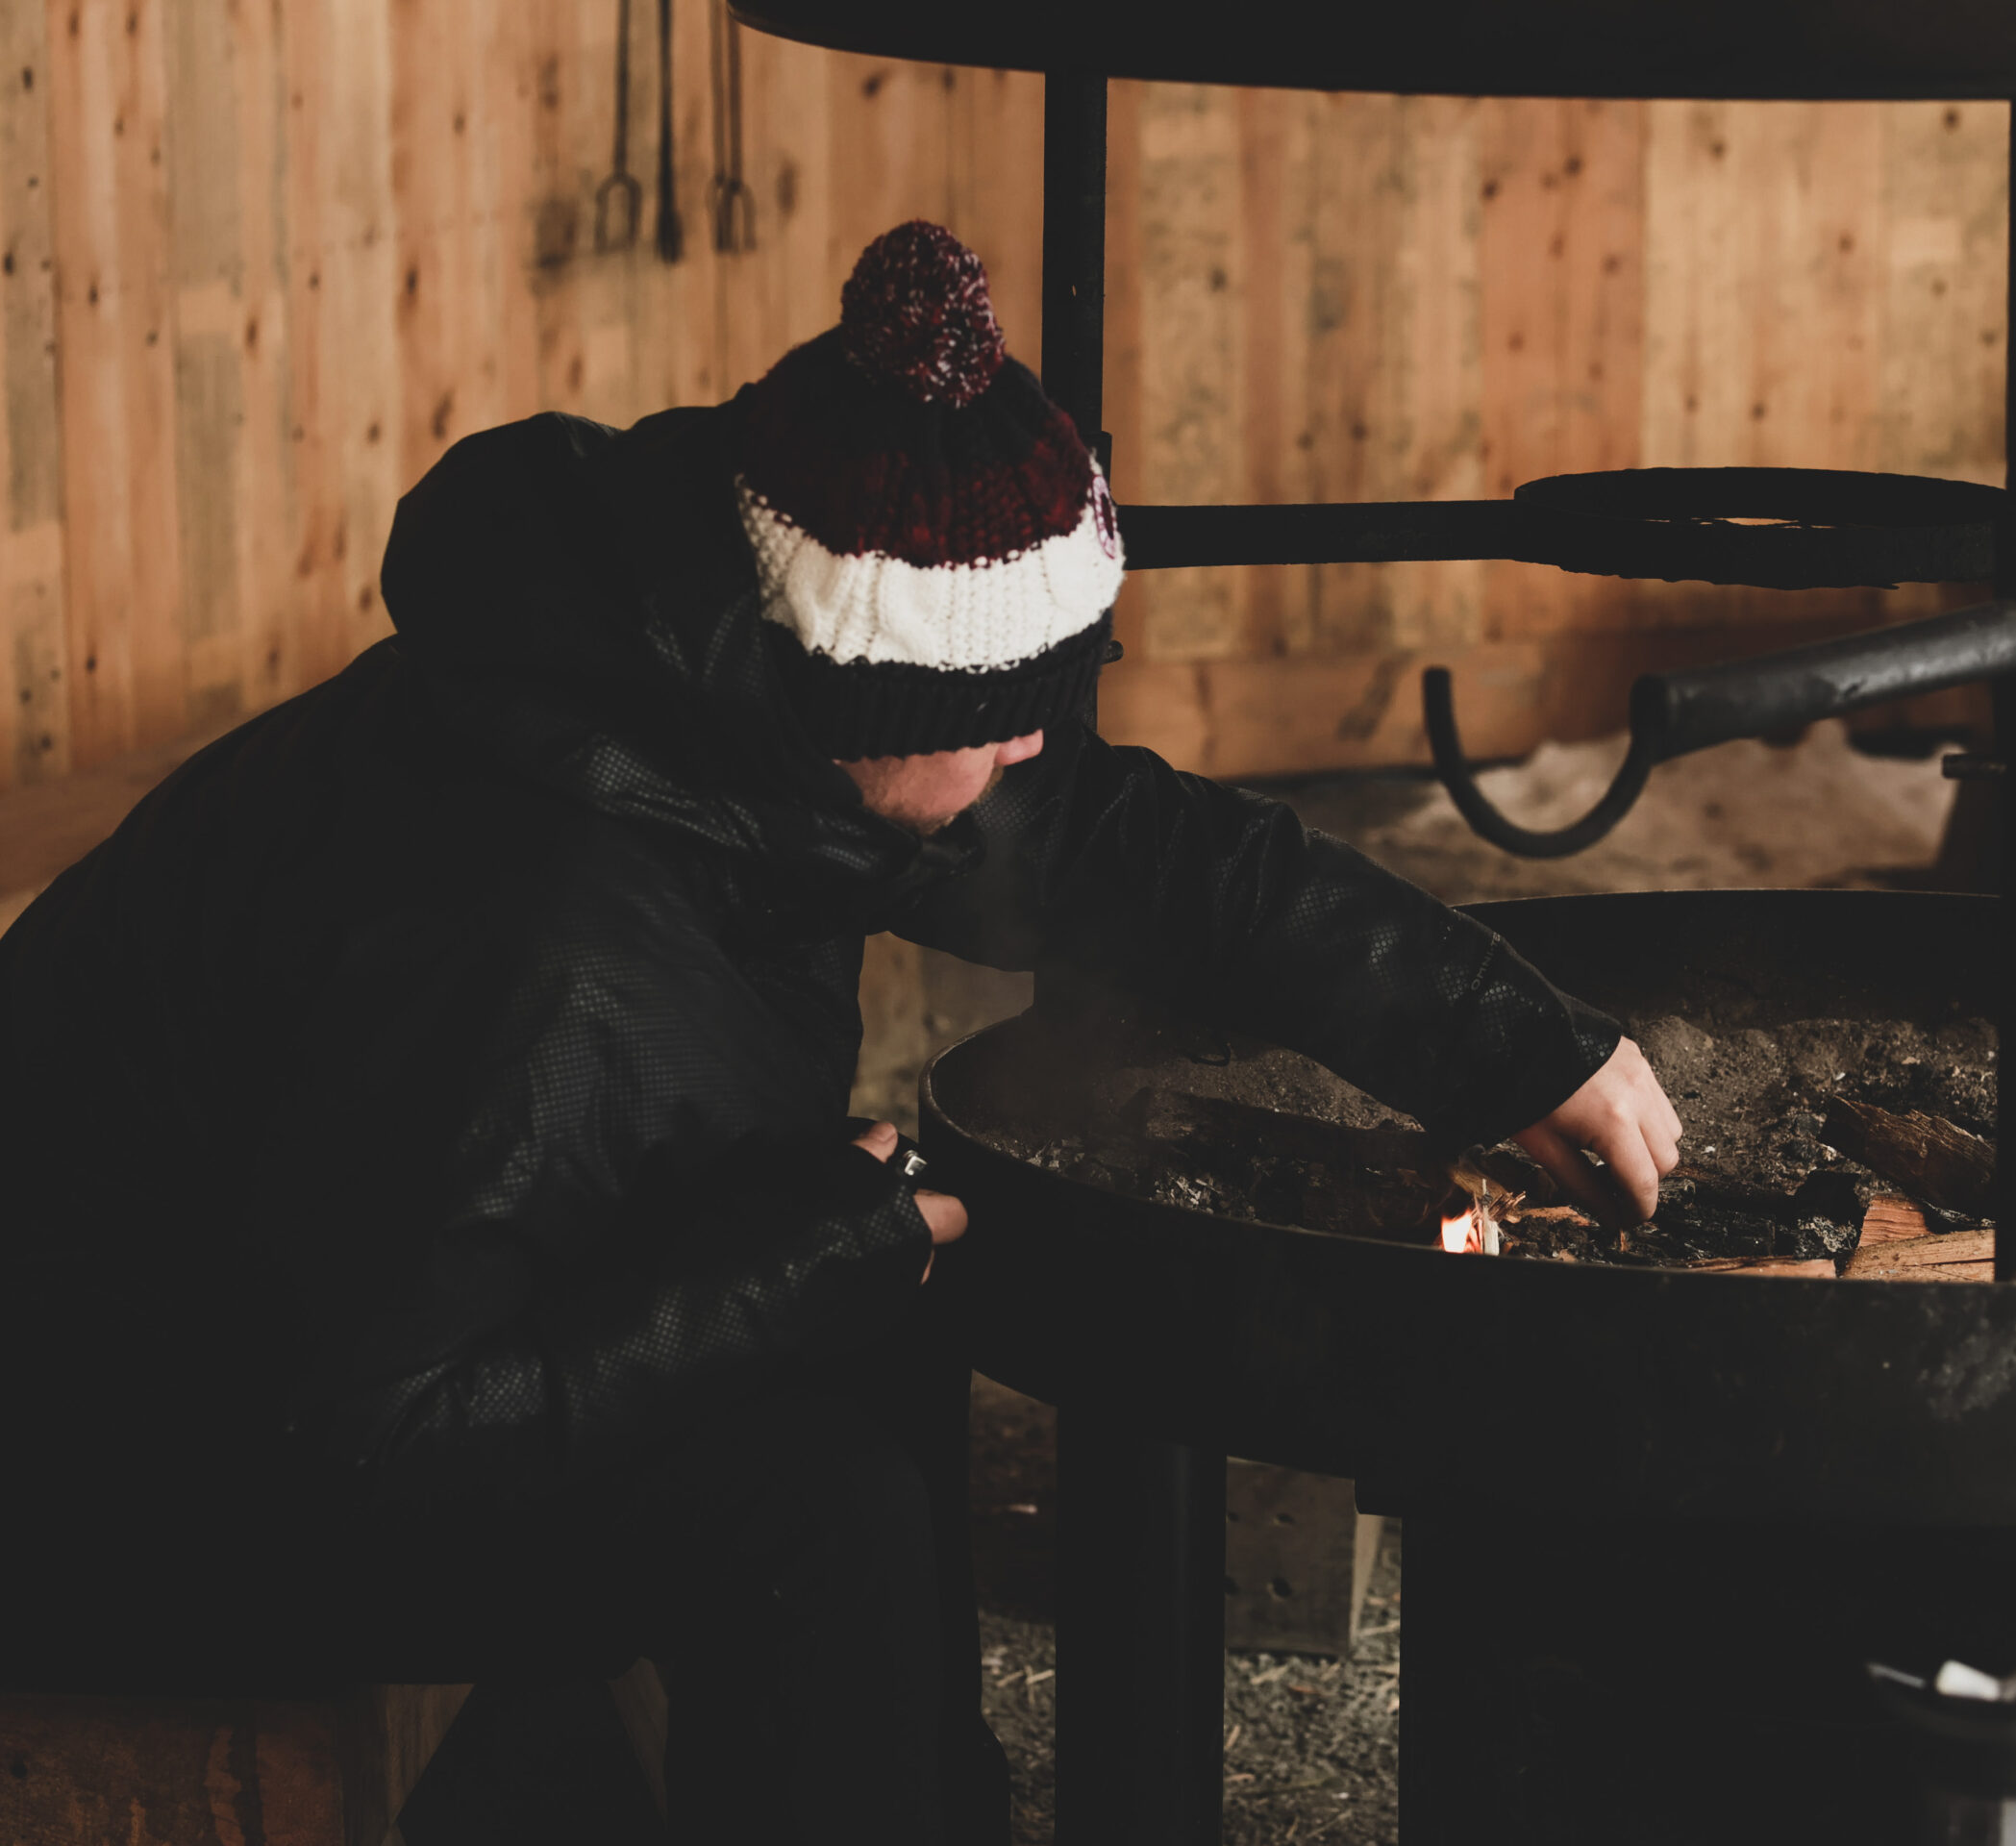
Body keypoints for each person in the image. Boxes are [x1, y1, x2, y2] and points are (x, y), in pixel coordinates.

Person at [0, 220, 1680, 1841]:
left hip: (317, 1310)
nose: (1036, 752)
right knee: (809, 1508)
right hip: (120, 1477)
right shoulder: (534, 945)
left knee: (868, 1306)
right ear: (874, 714)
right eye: (1006, 717)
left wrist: (1505, 1039)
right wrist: (803, 1256)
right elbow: (370, 1445)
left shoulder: (722, 673)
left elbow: (1104, 843)